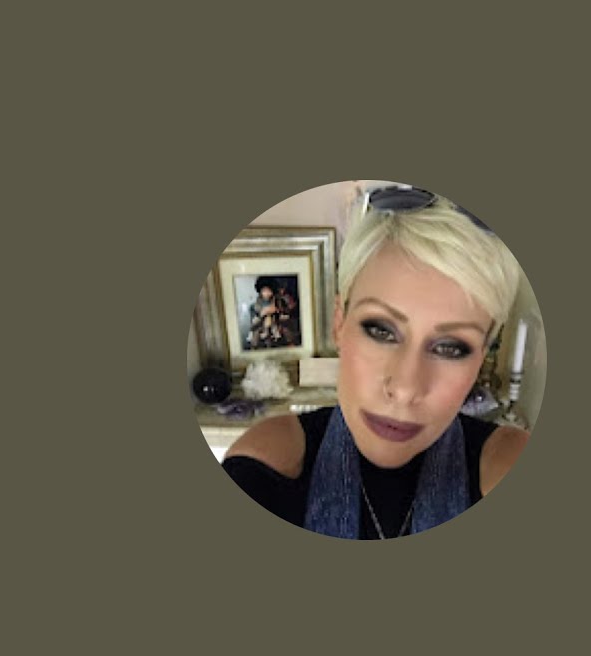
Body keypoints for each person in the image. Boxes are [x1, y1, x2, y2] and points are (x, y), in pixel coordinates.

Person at [223, 186, 531, 540]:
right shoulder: (269, 463)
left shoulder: (503, 463)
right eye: (380, 330)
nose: (405, 388)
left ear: (482, 356)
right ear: (339, 323)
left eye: (451, 348)